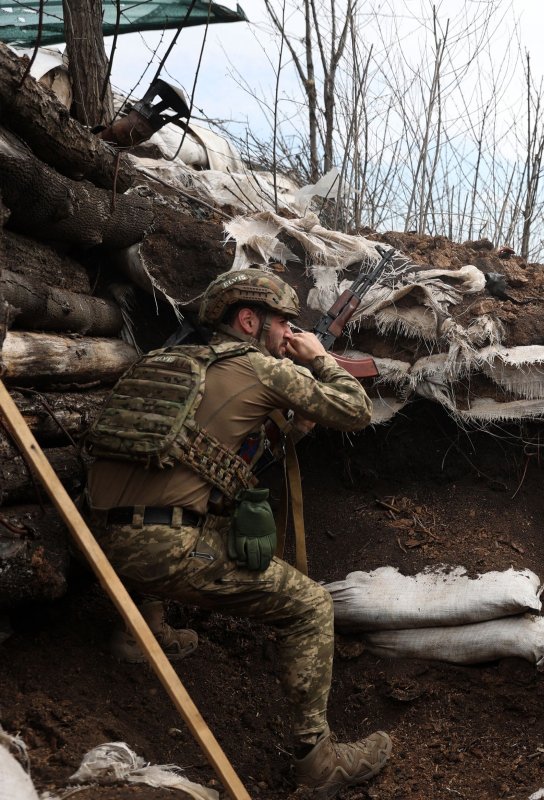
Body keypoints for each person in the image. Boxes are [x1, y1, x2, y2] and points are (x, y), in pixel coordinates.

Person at [85, 268, 391, 797]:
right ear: (249, 320)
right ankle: (318, 761)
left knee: (203, 514)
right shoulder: (259, 368)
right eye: (283, 326)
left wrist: (289, 428)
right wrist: (318, 357)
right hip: (166, 552)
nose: (288, 336)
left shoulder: (166, 363)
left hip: (100, 544)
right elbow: (356, 410)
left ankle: (142, 631)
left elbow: (206, 460)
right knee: (313, 606)